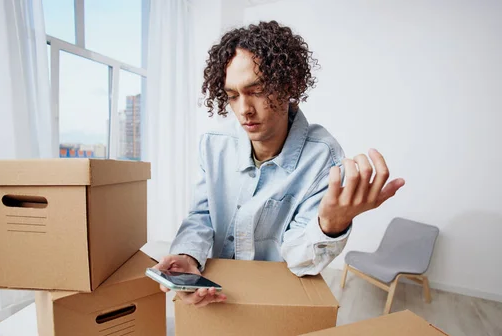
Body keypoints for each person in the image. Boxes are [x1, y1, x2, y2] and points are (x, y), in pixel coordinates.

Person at [155, 21, 405, 307]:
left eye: (257, 91)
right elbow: (201, 216)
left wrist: (330, 226)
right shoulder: (213, 144)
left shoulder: (323, 158)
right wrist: (188, 256)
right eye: (233, 96)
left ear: (289, 85)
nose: (244, 110)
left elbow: (299, 261)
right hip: (211, 290)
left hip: (275, 297)